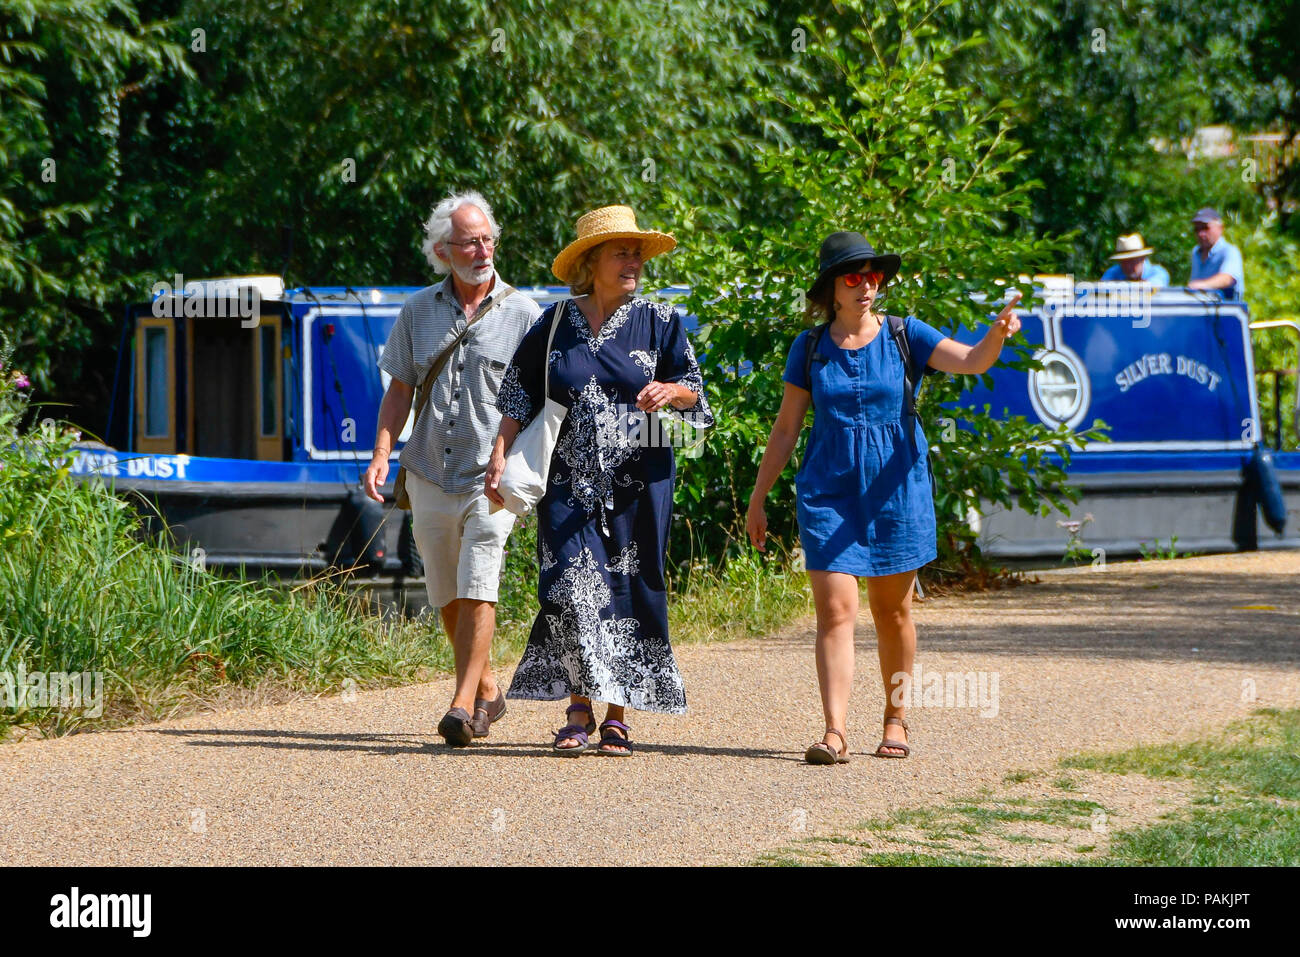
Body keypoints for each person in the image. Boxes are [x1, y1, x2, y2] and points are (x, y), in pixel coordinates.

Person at [745, 231, 1021, 764]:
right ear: (832, 286)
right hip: (829, 493)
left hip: (897, 492)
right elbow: (785, 430)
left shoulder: (904, 334)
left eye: (875, 275)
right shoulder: (809, 348)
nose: (867, 284)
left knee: (891, 612)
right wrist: (759, 498)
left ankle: (896, 719)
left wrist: (997, 334)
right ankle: (834, 733)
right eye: (854, 276)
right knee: (835, 609)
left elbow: (972, 361)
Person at [485, 205, 713, 756]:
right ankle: (577, 707)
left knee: (630, 586)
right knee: (569, 586)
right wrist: (498, 455)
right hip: (566, 478)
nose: (633, 261)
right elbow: (519, 393)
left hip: (641, 478)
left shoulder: (662, 321)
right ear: (591, 261)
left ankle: (617, 715)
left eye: (637, 252)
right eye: (622, 252)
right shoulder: (555, 323)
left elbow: (698, 398)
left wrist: (670, 393)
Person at [363, 190, 541, 747]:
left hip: (492, 473)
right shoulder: (416, 311)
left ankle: (461, 705)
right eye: (470, 241)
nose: (483, 249)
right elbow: (399, 390)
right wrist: (381, 451)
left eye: (489, 239)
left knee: (480, 577)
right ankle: (487, 686)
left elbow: (537, 399)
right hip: (428, 471)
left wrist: (516, 460)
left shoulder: (524, 313)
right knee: (445, 589)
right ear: (444, 250)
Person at [1187, 207, 1245, 299]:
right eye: (1197, 229)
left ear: (1220, 228)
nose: (1201, 234)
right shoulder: (1196, 253)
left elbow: (1227, 279)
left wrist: (1200, 285)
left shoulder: (1229, 251)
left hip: (1226, 309)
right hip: (1200, 308)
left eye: (1205, 228)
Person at [1099, 233, 1169, 286]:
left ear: (1142, 258)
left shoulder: (1157, 272)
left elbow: (1155, 284)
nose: (1127, 266)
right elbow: (1101, 288)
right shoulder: (1113, 272)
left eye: (1132, 261)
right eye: (1123, 262)